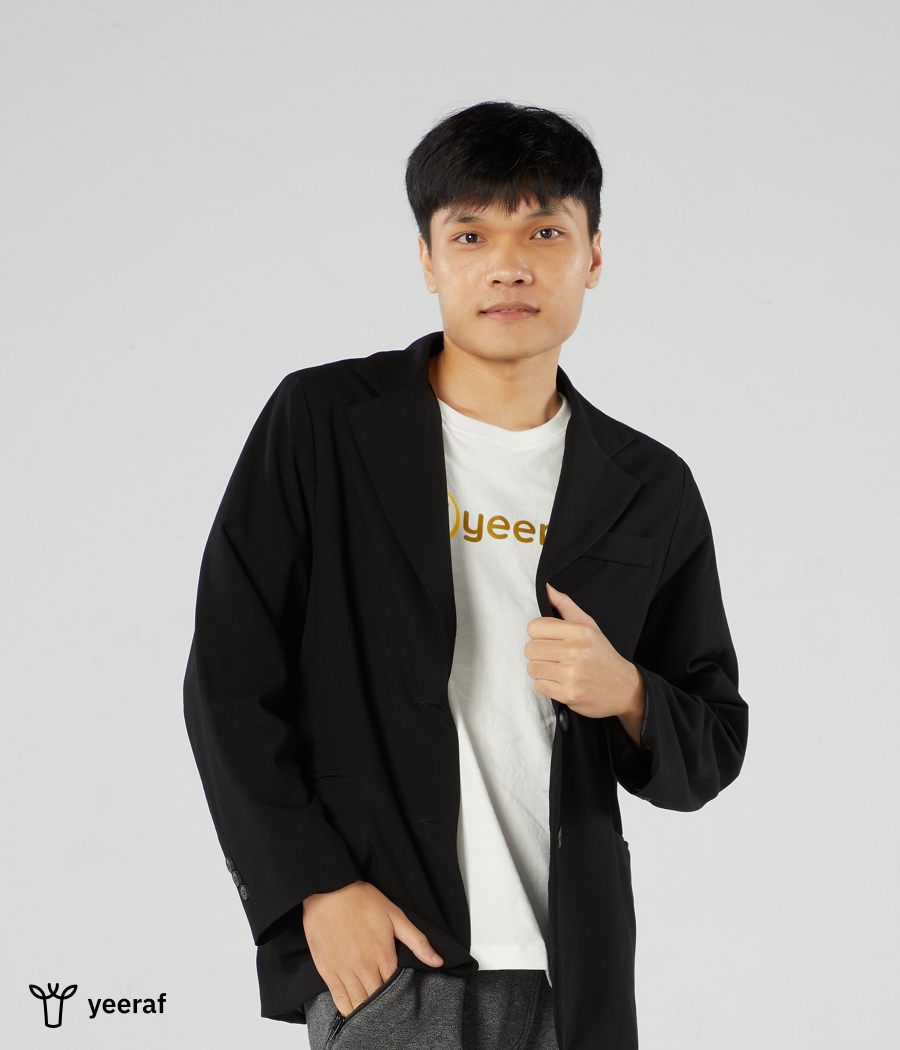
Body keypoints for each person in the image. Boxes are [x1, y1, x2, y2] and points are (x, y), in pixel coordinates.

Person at [184, 101, 748, 1050]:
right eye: (472, 234)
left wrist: (626, 692)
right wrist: (316, 888)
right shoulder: (324, 424)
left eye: (545, 232)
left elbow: (714, 738)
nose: (509, 265)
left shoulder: (647, 486)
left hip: (574, 970)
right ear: (428, 259)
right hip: (395, 951)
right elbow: (230, 680)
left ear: (594, 257)